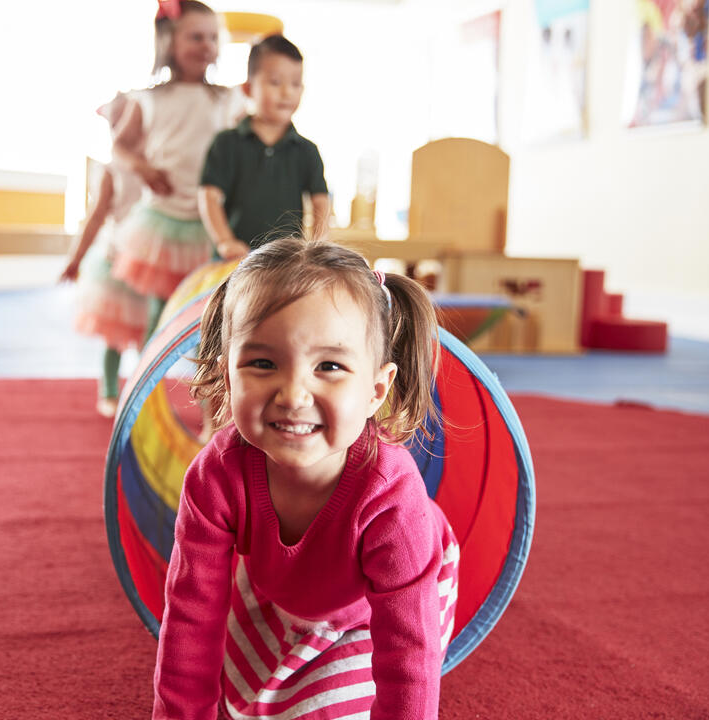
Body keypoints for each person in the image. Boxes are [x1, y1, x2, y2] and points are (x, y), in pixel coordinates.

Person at [152, 237, 460, 720]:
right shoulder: (216, 476)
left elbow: (409, 652)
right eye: (262, 363)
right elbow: (191, 617)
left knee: (314, 710)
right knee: (238, 696)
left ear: (376, 391)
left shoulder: (392, 499)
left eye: (330, 366)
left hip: (381, 608)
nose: (294, 394)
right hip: (284, 588)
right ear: (227, 378)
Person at [111, 0, 245, 341]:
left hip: (209, 220)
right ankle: (149, 377)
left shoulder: (227, 99)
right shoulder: (149, 99)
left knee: (209, 304)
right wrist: (142, 166)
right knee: (160, 308)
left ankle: (205, 382)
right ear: (170, 42)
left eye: (213, 39)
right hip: (164, 219)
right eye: (196, 37)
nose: (207, 46)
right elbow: (120, 146)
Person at [198, 34, 330, 259]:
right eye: (275, 82)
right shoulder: (226, 143)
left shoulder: (307, 151)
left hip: (285, 264)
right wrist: (225, 241)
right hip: (234, 263)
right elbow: (209, 196)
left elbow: (321, 202)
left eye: (295, 84)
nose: (287, 92)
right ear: (248, 89)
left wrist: (317, 244)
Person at [60, 94, 146, 418]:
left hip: (148, 260)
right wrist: (76, 258)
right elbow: (95, 218)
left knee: (146, 333)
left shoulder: (153, 165)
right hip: (118, 260)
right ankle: (110, 391)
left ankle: (139, 393)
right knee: (117, 332)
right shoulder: (113, 170)